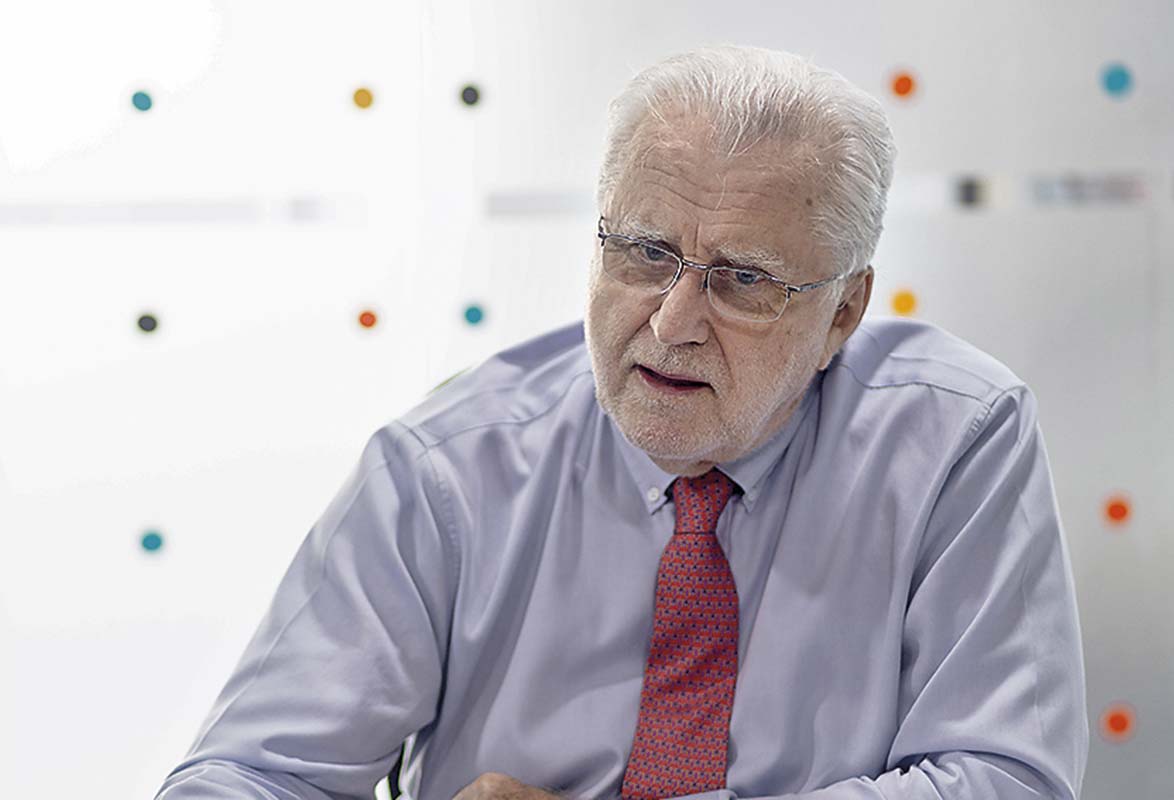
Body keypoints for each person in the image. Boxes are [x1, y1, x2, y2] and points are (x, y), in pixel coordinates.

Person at [155, 44, 1088, 800]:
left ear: (842, 313)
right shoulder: (446, 468)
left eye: (744, 280)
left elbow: (1007, 778)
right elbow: (246, 777)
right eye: (644, 253)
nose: (674, 323)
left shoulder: (954, 440)